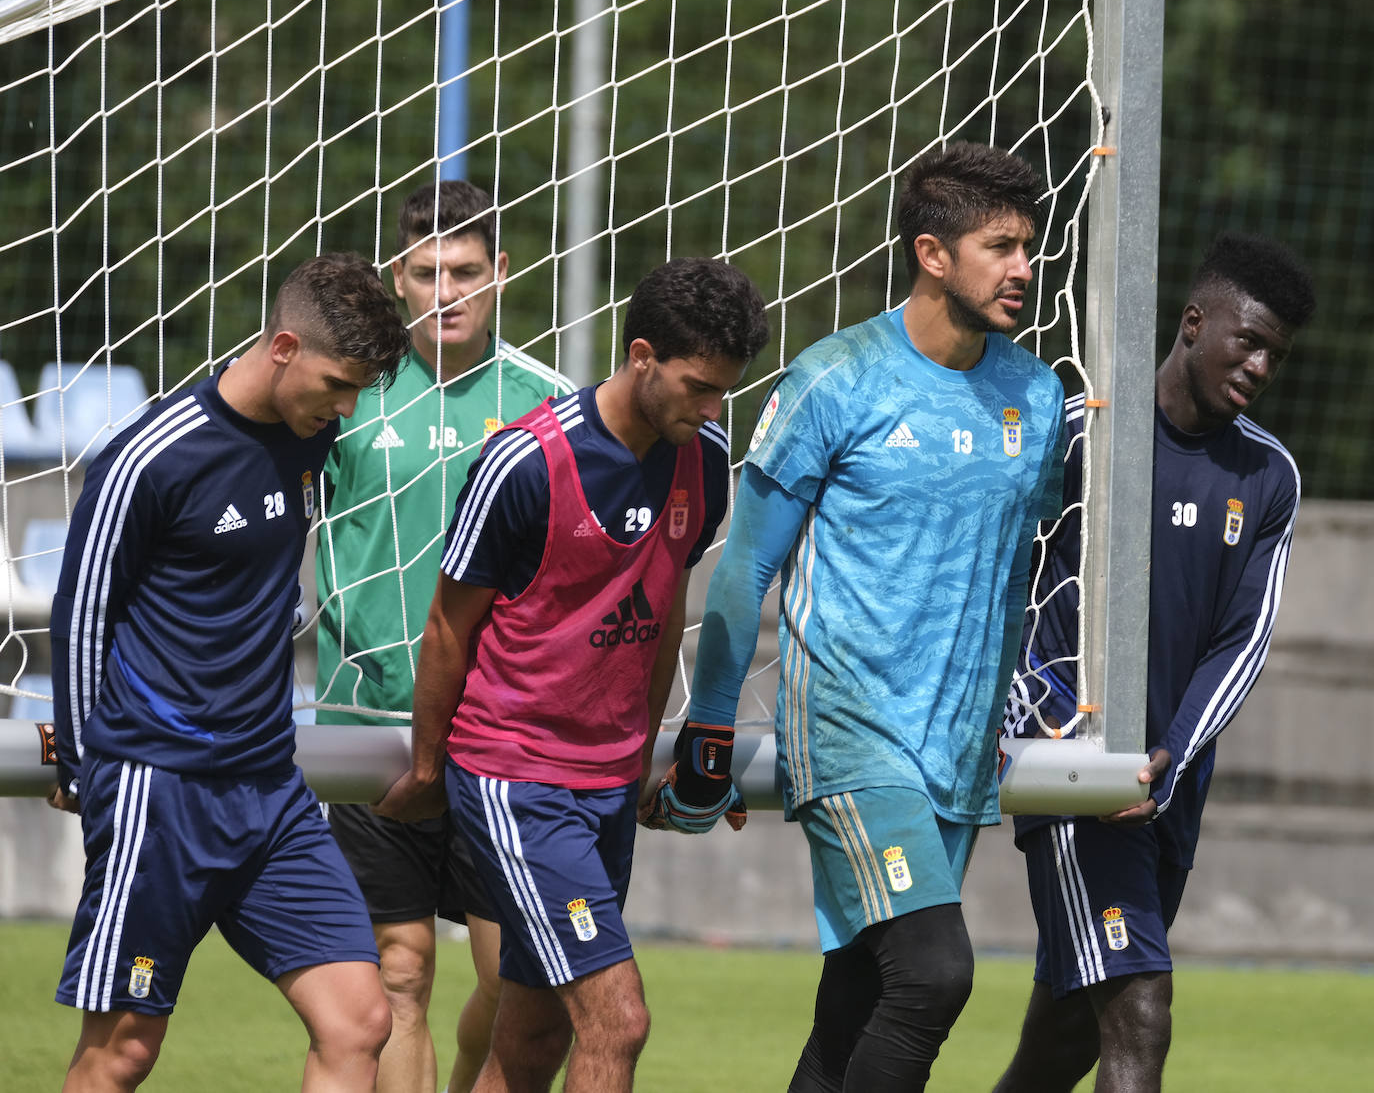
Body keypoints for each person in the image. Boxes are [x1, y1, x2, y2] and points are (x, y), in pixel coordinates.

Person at [664, 141, 1068, 1091]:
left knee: (856, 1002)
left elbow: (1014, 575)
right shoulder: (835, 378)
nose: (1025, 267)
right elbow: (745, 568)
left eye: (1030, 245)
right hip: (852, 734)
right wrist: (709, 732)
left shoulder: (1037, 396)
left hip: (960, 746)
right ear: (933, 254)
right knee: (934, 975)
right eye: (1002, 246)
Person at [374, 256, 770, 1093]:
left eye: (724, 392)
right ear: (640, 355)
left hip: (605, 785)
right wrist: (426, 763)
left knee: (531, 1041)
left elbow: (660, 617)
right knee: (617, 1021)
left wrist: (640, 760)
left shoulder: (702, 459)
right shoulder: (523, 462)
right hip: (519, 779)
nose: (711, 409)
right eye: (699, 386)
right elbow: (448, 625)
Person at [45, 253, 412, 1091]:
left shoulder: (313, 439)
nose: (346, 407)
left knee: (360, 1020)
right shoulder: (153, 454)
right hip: (159, 786)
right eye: (337, 382)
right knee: (123, 1051)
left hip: (269, 791)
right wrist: (79, 754)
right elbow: (81, 612)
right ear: (283, 346)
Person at [992, 233, 1316, 1093]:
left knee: (1066, 1036)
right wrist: (1029, 706)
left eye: (1274, 356)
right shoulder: (1082, 432)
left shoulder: (1269, 476)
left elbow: (1241, 641)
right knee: (1140, 1007)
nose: (1258, 365)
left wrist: (1169, 758)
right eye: (1246, 340)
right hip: (1073, 758)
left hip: (1167, 781)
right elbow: (1000, 580)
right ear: (1193, 321)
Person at [315, 180, 574, 1093]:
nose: (447, 292)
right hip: (365, 723)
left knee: (516, 982)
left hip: (499, 735)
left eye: (466, 271)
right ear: (399, 279)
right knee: (401, 971)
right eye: (427, 273)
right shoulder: (346, 393)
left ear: (501, 273)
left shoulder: (549, 405)